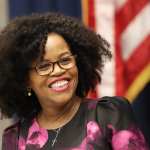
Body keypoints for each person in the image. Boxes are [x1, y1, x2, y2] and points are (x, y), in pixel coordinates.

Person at [0, 12, 148, 150]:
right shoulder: (15, 137)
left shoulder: (109, 114)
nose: (58, 70)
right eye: (44, 66)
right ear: (25, 80)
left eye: (65, 60)